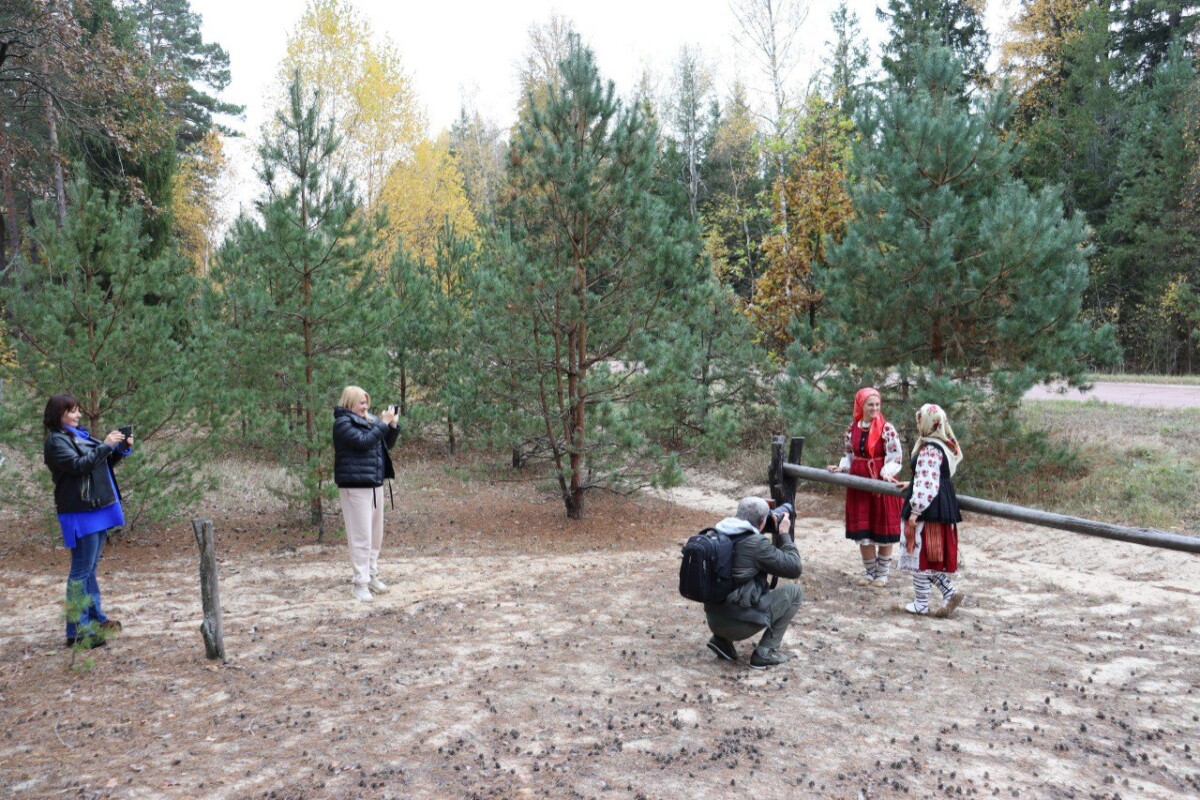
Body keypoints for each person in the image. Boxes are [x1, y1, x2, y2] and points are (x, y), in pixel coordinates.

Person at [42, 393, 133, 648]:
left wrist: (120, 449)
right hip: (80, 512)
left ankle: (96, 619)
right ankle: (77, 631)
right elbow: (78, 466)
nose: (78, 414)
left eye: (78, 410)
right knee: (80, 572)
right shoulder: (56, 441)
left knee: (90, 569)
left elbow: (100, 464)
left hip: (96, 508)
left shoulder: (78, 435)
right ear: (58, 414)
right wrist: (104, 445)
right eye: (72, 411)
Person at [703, 497, 803, 669]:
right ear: (762, 521)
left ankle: (722, 642)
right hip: (737, 626)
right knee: (795, 592)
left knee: (729, 586)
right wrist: (784, 533)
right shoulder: (756, 544)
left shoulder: (716, 533)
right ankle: (765, 652)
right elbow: (794, 568)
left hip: (713, 620)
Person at [827, 387, 904, 587]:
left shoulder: (887, 429)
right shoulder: (852, 428)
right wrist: (842, 467)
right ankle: (870, 572)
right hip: (858, 480)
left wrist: (886, 473)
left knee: (883, 525)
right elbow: (849, 455)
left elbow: (895, 456)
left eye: (877, 404)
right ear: (861, 405)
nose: (874, 408)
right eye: (870, 404)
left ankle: (882, 574)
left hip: (880, 479)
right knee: (864, 528)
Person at [332, 385, 400, 603]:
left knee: (375, 535)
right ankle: (359, 583)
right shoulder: (342, 423)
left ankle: (371, 575)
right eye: (361, 402)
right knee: (361, 536)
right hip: (355, 486)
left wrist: (392, 426)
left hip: (373, 484)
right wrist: (381, 423)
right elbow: (363, 443)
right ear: (350, 402)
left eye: (366, 402)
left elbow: (382, 445)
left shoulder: (369, 421)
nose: (365, 406)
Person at [898, 403, 965, 617]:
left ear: (927, 422)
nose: (918, 423)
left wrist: (915, 511)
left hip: (928, 507)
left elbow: (927, 482)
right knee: (928, 557)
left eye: (920, 419)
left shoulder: (929, 449)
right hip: (941, 504)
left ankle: (921, 603)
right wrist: (913, 481)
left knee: (919, 554)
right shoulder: (943, 445)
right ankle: (948, 592)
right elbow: (932, 476)